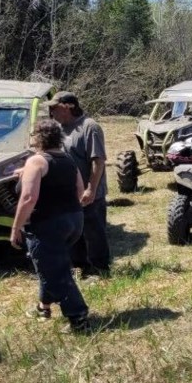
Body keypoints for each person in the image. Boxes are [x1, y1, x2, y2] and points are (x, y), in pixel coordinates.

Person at [10, 119, 91, 333]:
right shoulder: (68, 160)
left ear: (37, 138)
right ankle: (43, 307)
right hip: (74, 221)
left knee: (55, 270)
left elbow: (28, 198)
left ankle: (78, 317)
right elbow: (80, 192)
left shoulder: (36, 161)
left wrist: (15, 227)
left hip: (47, 224)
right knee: (51, 264)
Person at [49, 91, 110, 278]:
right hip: (68, 193)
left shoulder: (89, 127)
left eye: (55, 107)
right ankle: (80, 266)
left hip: (90, 193)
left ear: (70, 107)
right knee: (73, 232)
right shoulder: (59, 129)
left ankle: (100, 270)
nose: (51, 112)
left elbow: (97, 161)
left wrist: (91, 189)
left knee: (94, 231)